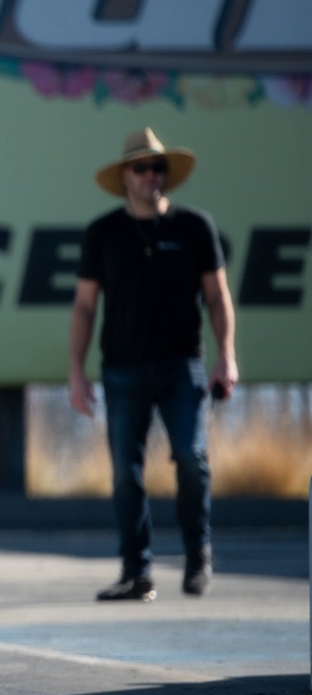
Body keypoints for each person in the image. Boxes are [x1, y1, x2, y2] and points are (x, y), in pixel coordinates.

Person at [68, 128, 238, 602]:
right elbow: (84, 307)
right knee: (126, 473)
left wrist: (227, 355)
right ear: (125, 176)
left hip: (184, 365)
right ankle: (136, 570)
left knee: (191, 456)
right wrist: (76, 373)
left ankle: (197, 551)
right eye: (141, 168)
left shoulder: (194, 226)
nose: (150, 176)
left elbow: (217, 297)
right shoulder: (103, 233)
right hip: (122, 368)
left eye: (157, 167)